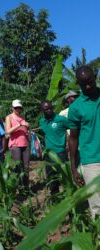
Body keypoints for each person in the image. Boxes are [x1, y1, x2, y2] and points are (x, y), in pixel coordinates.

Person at [68, 66, 100, 218]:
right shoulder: (76, 107)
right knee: (97, 206)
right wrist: (73, 167)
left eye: (90, 82)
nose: (88, 87)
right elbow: (73, 138)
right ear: (78, 84)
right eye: (83, 84)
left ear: (95, 77)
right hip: (91, 161)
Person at [39, 100, 70, 194]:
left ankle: (68, 197)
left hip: (61, 152)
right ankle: (55, 198)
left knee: (65, 178)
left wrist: (69, 143)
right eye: (46, 109)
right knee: (51, 178)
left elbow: (73, 128)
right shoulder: (42, 122)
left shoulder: (61, 119)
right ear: (42, 110)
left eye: (50, 108)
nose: (49, 110)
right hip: (49, 154)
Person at [5, 99, 30, 186]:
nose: (17, 109)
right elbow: (8, 131)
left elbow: (25, 130)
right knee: (18, 167)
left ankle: (26, 186)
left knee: (26, 166)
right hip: (15, 145)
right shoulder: (9, 117)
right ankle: (19, 186)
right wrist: (19, 124)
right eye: (16, 108)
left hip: (25, 144)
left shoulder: (22, 117)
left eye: (19, 107)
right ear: (13, 108)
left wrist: (27, 126)